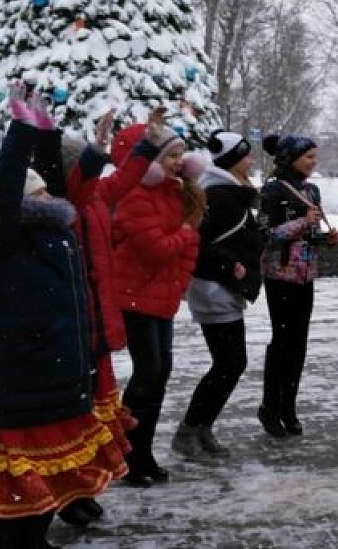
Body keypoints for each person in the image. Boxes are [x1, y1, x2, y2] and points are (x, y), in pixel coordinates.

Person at [0, 96, 125, 548]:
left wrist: (49, 131)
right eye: (40, 192)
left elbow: (59, 179)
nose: (50, 194)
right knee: (17, 500)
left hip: (54, 383)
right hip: (19, 386)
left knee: (45, 490)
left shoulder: (55, 233)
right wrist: (21, 132)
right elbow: (6, 190)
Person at [50, 107, 169, 524]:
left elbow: (125, 178)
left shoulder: (97, 196)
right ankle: (65, 494)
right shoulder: (66, 205)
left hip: (96, 320)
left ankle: (81, 486)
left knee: (91, 413)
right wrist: (98, 150)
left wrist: (147, 144)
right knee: (70, 414)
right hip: (74, 323)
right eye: (83, 165)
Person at [110, 123, 205, 486]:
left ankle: (142, 452)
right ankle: (128, 453)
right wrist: (185, 234)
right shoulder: (136, 196)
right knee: (147, 373)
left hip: (160, 296)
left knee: (159, 373)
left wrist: (178, 283)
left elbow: (185, 250)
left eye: (181, 155)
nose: (179, 162)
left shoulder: (174, 192)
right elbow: (157, 248)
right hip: (134, 296)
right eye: (171, 156)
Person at [173, 130, 265, 458]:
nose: (250, 161)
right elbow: (199, 242)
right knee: (230, 362)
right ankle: (190, 429)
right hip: (215, 288)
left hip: (221, 287)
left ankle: (201, 428)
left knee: (229, 362)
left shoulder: (227, 193)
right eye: (245, 155)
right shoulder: (218, 196)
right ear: (231, 160)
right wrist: (231, 265)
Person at [258, 133, 338, 437]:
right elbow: (266, 234)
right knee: (281, 342)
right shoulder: (272, 190)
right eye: (308, 157)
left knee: (299, 343)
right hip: (280, 275)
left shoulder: (311, 190)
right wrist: (303, 222)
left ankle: (288, 406)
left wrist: (326, 238)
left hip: (306, 275)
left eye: (315, 157)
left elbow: (311, 234)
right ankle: (269, 406)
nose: (313, 162)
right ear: (291, 158)